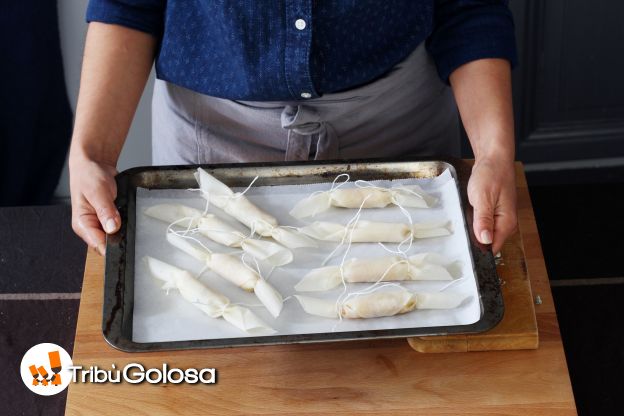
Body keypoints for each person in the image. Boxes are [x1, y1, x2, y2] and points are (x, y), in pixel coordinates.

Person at [70, 1, 518, 256]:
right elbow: (128, 5)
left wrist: (493, 153)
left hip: (398, 136)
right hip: (212, 147)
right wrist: (92, 152)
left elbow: (470, 7)